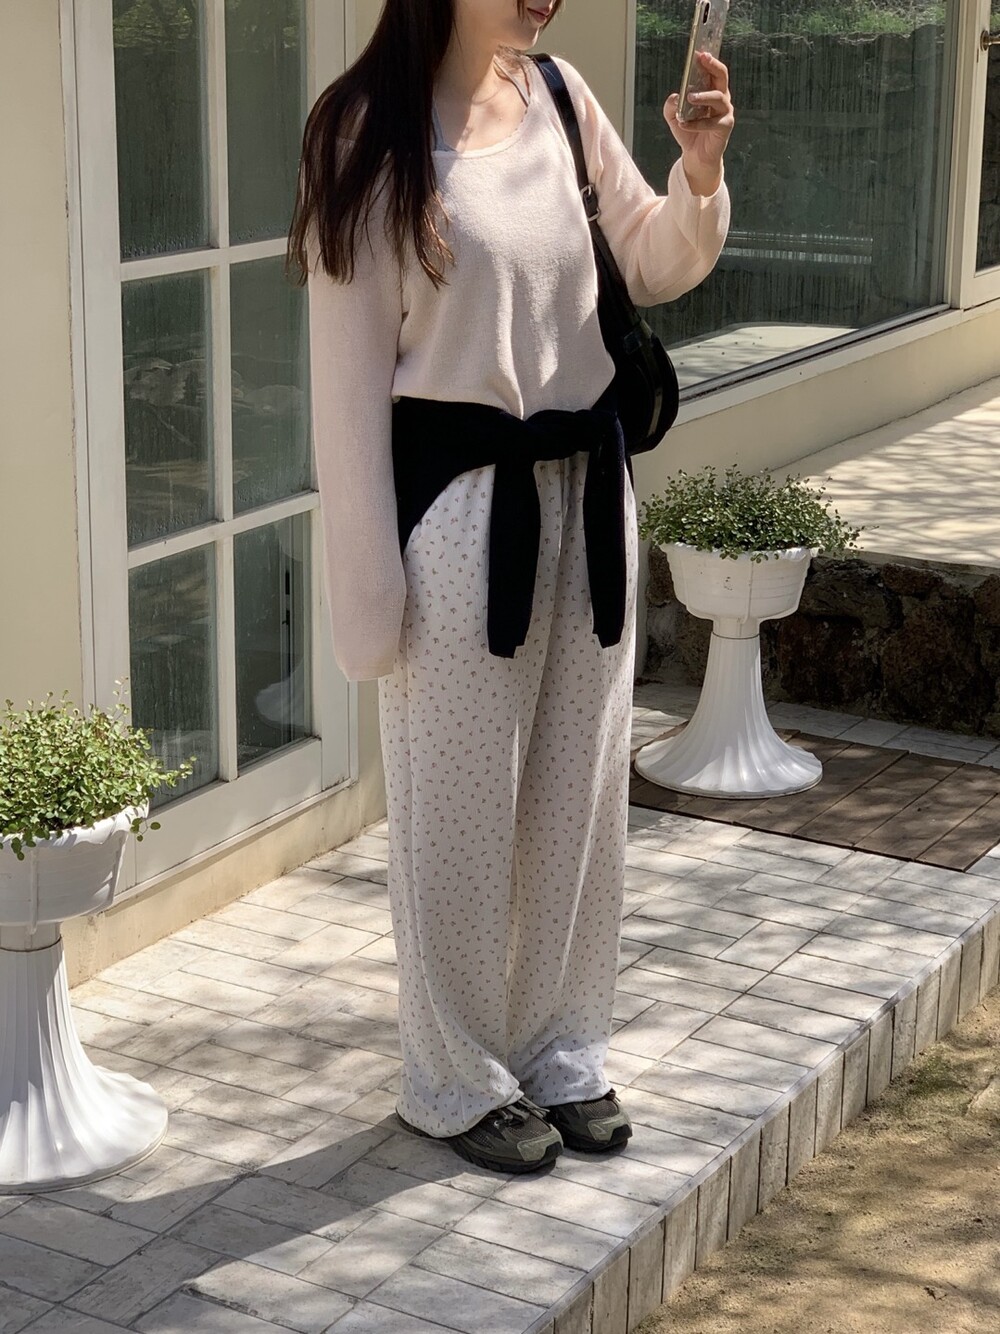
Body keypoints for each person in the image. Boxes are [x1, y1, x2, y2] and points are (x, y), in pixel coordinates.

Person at [288, 0, 734, 1175]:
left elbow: (652, 259)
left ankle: (561, 1049)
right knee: (455, 815)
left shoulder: (558, 97)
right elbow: (346, 396)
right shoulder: (362, 131)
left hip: (588, 498)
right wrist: (367, 601)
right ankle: (454, 1076)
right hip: (458, 517)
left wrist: (697, 173)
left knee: (579, 802)